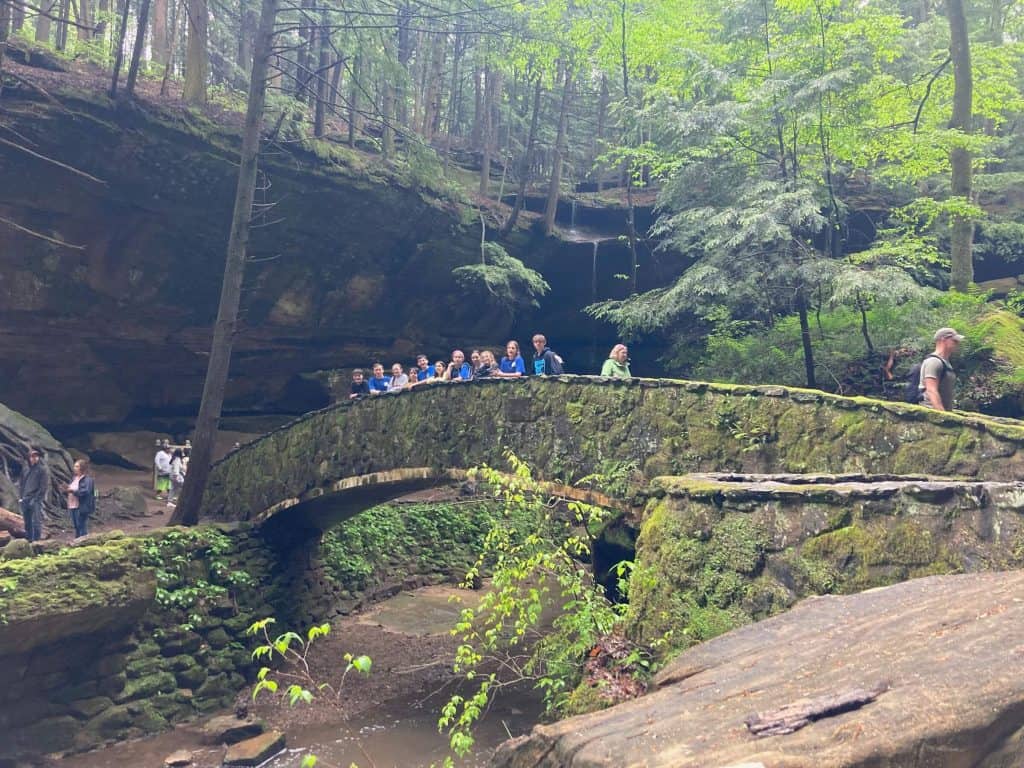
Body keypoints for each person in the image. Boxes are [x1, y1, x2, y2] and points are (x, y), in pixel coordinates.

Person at [918, 328, 963, 411]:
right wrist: (943, 415)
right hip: (931, 412)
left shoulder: (946, 362)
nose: (957, 344)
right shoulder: (934, 361)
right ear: (943, 339)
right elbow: (931, 390)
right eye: (954, 341)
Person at [18, 448, 49, 542]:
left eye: (36, 456)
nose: (34, 458)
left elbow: (43, 487)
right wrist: (21, 497)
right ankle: (29, 539)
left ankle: (36, 541)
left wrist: (36, 499)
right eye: (32, 456)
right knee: (27, 521)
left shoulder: (42, 470)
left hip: (35, 499)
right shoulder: (26, 470)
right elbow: (22, 484)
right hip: (25, 498)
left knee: (36, 520)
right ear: (28, 458)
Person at [65, 458, 96, 538]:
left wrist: (73, 491)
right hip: (72, 505)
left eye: (77, 466)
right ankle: (77, 542)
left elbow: (86, 491)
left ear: (82, 468)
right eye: (74, 466)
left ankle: (84, 542)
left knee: (81, 526)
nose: (74, 468)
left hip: (81, 506)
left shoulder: (88, 480)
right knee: (76, 526)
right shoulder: (74, 478)